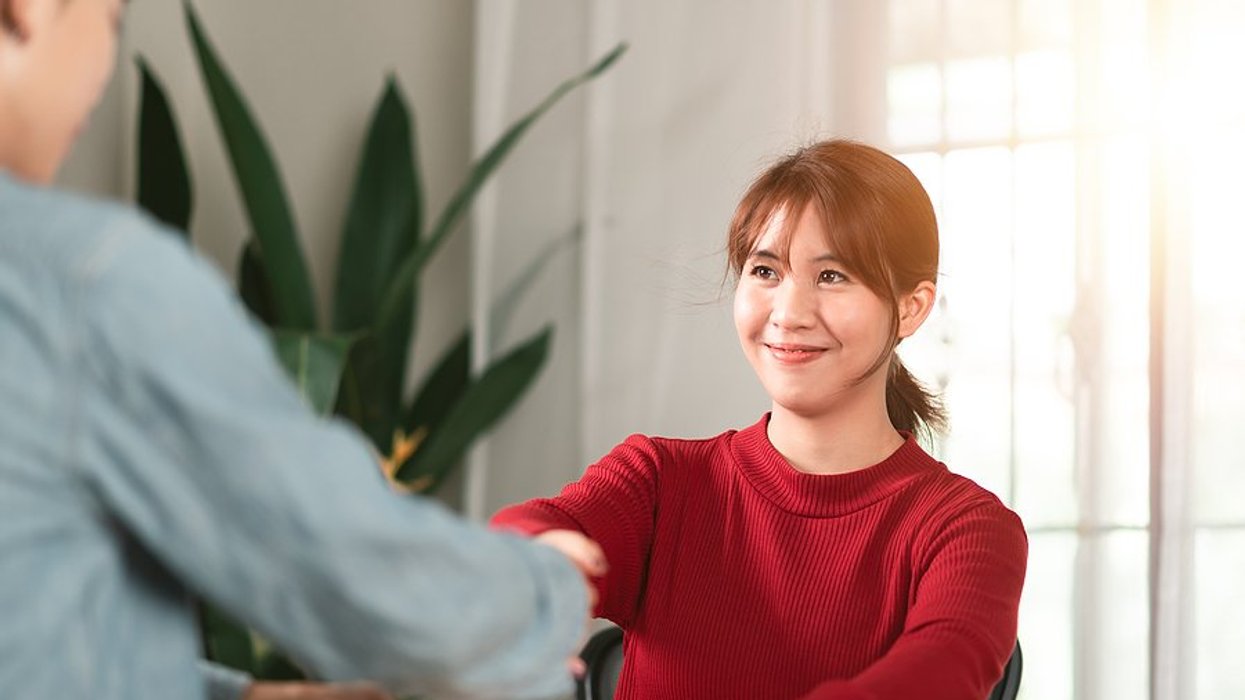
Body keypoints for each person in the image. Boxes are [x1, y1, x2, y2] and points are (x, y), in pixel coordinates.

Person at [0, 1, 593, 699]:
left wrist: (251, 696)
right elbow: (364, 581)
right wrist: (547, 593)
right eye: (111, 17)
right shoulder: (86, 283)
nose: (102, 68)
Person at [491, 139, 1029, 699]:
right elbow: (531, 532)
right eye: (766, 270)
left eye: (832, 276)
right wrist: (531, 566)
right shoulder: (659, 480)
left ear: (911, 308)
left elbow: (936, 675)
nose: (788, 314)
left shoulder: (968, 531)